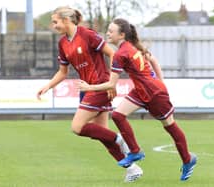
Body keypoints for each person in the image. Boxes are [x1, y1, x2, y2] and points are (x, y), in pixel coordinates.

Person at [77, 18, 197, 181]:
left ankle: (188, 160)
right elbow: (153, 60)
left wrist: (88, 88)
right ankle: (135, 151)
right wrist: (160, 81)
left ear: (122, 34)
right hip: (141, 91)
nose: (107, 33)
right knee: (118, 115)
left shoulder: (121, 54)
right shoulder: (132, 47)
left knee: (170, 126)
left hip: (154, 94)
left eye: (111, 31)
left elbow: (112, 84)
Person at [36, 7, 143, 182]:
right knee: (102, 135)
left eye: (55, 21)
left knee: (77, 127)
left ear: (66, 20)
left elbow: (113, 54)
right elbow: (63, 72)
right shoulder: (62, 43)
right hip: (86, 89)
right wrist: (48, 86)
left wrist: (111, 82)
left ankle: (120, 138)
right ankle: (131, 169)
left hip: (99, 87)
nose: (53, 25)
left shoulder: (87, 35)